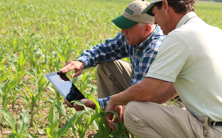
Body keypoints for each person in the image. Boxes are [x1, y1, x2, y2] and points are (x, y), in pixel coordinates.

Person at [105, 0, 222, 137]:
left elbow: (145, 91)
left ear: (165, 6)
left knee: (133, 112)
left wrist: (114, 100)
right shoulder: (215, 32)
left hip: (212, 130)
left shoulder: (179, 36)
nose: (154, 22)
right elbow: (168, 91)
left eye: (155, 14)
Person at [60, 0, 183, 111]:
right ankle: (110, 127)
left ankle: (120, 123)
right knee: (106, 66)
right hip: (142, 86)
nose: (122, 32)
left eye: (128, 27)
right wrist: (81, 62)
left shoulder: (155, 48)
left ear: (147, 29)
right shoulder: (132, 35)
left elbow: (139, 96)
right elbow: (105, 50)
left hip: (169, 102)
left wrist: (93, 104)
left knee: (135, 107)